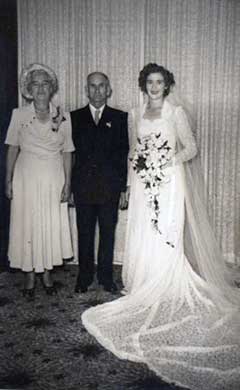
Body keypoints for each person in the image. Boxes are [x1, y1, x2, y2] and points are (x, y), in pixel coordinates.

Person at [82, 64, 240, 390]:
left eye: (159, 82)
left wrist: (166, 161)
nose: (154, 87)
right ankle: (143, 283)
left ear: (167, 86)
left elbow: (191, 147)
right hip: (143, 184)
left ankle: (165, 282)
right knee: (143, 232)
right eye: (150, 82)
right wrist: (133, 179)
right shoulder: (135, 113)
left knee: (165, 233)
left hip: (169, 183)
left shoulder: (175, 112)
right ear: (144, 85)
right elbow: (133, 152)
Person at [5, 63, 74, 297]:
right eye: (36, 84)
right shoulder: (19, 114)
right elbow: (13, 148)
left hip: (54, 176)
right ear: (28, 89)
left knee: (49, 223)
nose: (41, 88)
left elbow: (67, 152)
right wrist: (8, 179)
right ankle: (29, 277)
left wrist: (68, 184)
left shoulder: (63, 116)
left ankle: (46, 275)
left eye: (45, 83)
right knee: (27, 224)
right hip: (26, 177)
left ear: (52, 87)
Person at [71, 72, 129, 294]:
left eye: (101, 86)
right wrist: (71, 187)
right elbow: (71, 155)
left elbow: (123, 154)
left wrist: (123, 188)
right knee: (84, 233)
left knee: (107, 233)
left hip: (109, 188)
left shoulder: (120, 117)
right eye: (92, 86)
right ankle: (84, 276)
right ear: (86, 90)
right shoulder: (73, 117)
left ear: (109, 89)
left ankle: (105, 277)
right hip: (83, 187)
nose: (97, 91)